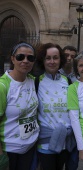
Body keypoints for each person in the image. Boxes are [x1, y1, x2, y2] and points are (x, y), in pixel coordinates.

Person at [36, 43, 76, 170]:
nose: (52, 61)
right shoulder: (36, 82)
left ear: (61, 60)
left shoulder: (67, 81)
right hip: (45, 142)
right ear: (43, 60)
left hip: (65, 141)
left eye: (55, 57)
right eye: (48, 58)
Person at [0, 42, 39, 170]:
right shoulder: (3, 85)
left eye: (30, 58)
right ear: (12, 58)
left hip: (29, 148)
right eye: (20, 57)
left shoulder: (33, 81)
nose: (25, 61)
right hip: (8, 150)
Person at [59, 45, 79, 170]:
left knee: (73, 163)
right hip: (59, 123)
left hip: (75, 123)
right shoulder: (55, 73)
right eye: (66, 55)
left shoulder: (78, 76)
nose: (69, 58)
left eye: (72, 56)